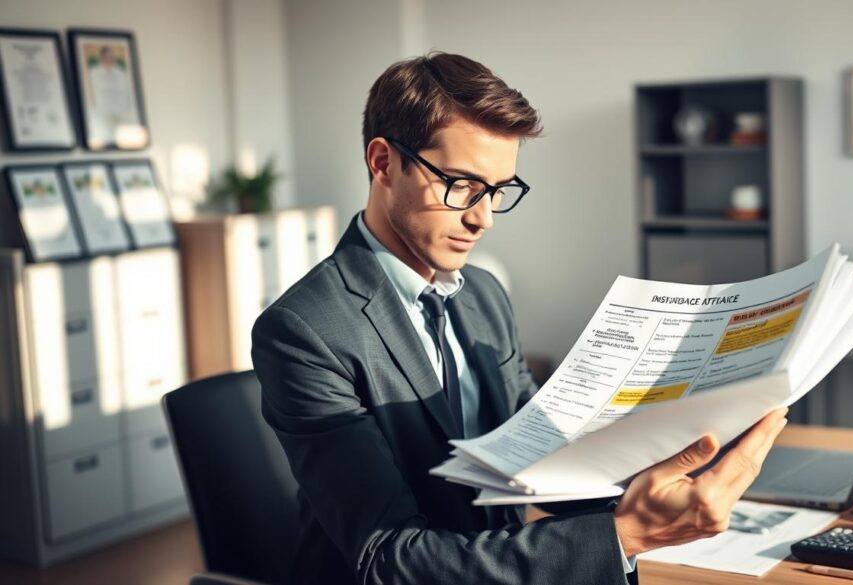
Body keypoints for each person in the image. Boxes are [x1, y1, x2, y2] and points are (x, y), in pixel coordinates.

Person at [251, 51, 788, 585]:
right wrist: (624, 535)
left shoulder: (483, 294)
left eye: (498, 191)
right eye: (460, 184)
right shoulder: (304, 331)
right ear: (383, 162)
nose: (482, 217)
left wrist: (654, 477)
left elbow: (539, 462)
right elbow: (391, 559)